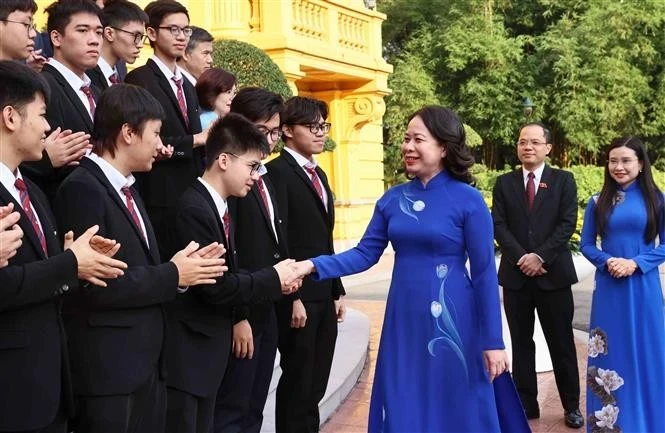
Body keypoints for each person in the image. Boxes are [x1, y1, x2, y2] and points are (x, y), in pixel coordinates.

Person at [291, 106, 532, 432]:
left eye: (418, 139)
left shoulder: (469, 200)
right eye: (406, 139)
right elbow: (364, 254)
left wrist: (493, 340)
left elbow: (485, 273)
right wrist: (311, 265)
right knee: (405, 397)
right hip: (403, 320)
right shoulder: (392, 200)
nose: (407, 146)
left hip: (455, 320)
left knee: (456, 400)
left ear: (444, 147)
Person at [53, 83, 227, 433]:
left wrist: (178, 269)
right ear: (128, 133)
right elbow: (99, 282)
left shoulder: (127, 188)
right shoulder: (82, 189)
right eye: (156, 133)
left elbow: (137, 269)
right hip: (110, 371)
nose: (161, 145)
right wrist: (174, 275)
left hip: (144, 364)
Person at [0, 59, 127, 433]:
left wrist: (79, 265)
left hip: (48, 383)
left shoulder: (33, 190)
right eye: (42, 115)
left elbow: (42, 277)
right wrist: (69, 264)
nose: (47, 127)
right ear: (10, 117)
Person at [165, 113, 299, 433]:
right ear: (224, 160)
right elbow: (215, 286)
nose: (256, 175)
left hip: (209, 351)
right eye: (252, 166)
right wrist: (273, 278)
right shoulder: (194, 210)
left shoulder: (218, 206)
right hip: (191, 357)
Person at [492, 122, 582, 427]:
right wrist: (523, 258)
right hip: (517, 278)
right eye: (521, 142)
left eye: (533, 142)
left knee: (562, 343)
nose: (526, 147)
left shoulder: (564, 181)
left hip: (553, 276)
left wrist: (540, 256)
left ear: (547, 148)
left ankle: (571, 405)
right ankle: (526, 405)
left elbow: (567, 224)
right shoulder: (504, 183)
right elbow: (499, 225)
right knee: (521, 343)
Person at [265, 96, 345, 433]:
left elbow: (325, 239)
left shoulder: (320, 173)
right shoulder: (276, 173)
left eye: (323, 126)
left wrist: (336, 289)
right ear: (286, 130)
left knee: (316, 379)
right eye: (312, 126)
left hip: (323, 290)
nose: (320, 132)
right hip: (296, 293)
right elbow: (278, 239)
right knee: (299, 379)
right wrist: (291, 296)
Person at [213, 87, 287, 433]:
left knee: (255, 403)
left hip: (266, 302)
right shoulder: (230, 182)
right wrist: (238, 317)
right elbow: (230, 250)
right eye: (262, 131)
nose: (270, 139)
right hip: (241, 307)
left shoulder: (264, 178)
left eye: (275, 131)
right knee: (234, 406)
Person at [580, 137, 665, 432]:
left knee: (648, 353)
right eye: (613, 160)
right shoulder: (596, 201)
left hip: (644, 288)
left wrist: (636, 263)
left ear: (641, 164)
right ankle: (611, 426)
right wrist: (608, 261)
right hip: (609, 290)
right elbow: (586, 245)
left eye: (626, 160)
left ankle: (651, 424)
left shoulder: (657, 198)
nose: (619, 167)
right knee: (611, 353)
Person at [125, 0, 207, 237]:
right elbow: (144, 140)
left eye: (186, 30)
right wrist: (196, 140)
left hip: (192, 194)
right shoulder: (139, 80)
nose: (181, 36)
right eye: (173, 29)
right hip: (159, 196)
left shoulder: (189, 86)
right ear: (151, 32)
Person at [86, 0, 148, 89]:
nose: (140, 45)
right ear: (109, 34)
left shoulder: (121, 70)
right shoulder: (86, 72)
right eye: (135, 35)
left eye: (141, 37)